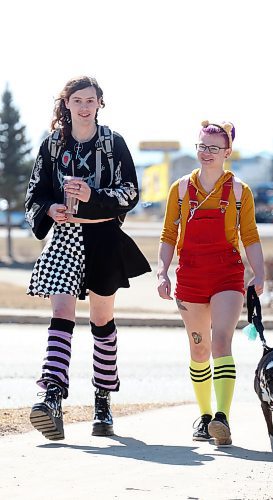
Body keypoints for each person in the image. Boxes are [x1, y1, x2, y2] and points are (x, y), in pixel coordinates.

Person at [25, 75, 151, 441]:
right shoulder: (52, 145)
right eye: (77, 100)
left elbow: (130, 192)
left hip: (103, 237)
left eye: (90, 100)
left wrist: (93, 195)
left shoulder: (113, 143)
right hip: (65, 237)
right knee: (61, 313)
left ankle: (102, 399)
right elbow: (34, 193)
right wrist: (50, 208)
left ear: (99, 104)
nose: (83, 106)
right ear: (66, 104)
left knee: (102, 319)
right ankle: (51, 395)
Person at [157, 120, 264, 446]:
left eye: (214, 148)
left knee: (221, 344)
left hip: (227, 277)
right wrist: (162, 271)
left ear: (227, 153)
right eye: (202, 146)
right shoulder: (180, 190)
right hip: (189, 277)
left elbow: (250, 236)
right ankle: (204, 417)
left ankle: (222, 419)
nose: (206, 153)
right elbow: (168, 236)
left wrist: (260, 272)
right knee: (199, 349)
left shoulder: (239, 192)